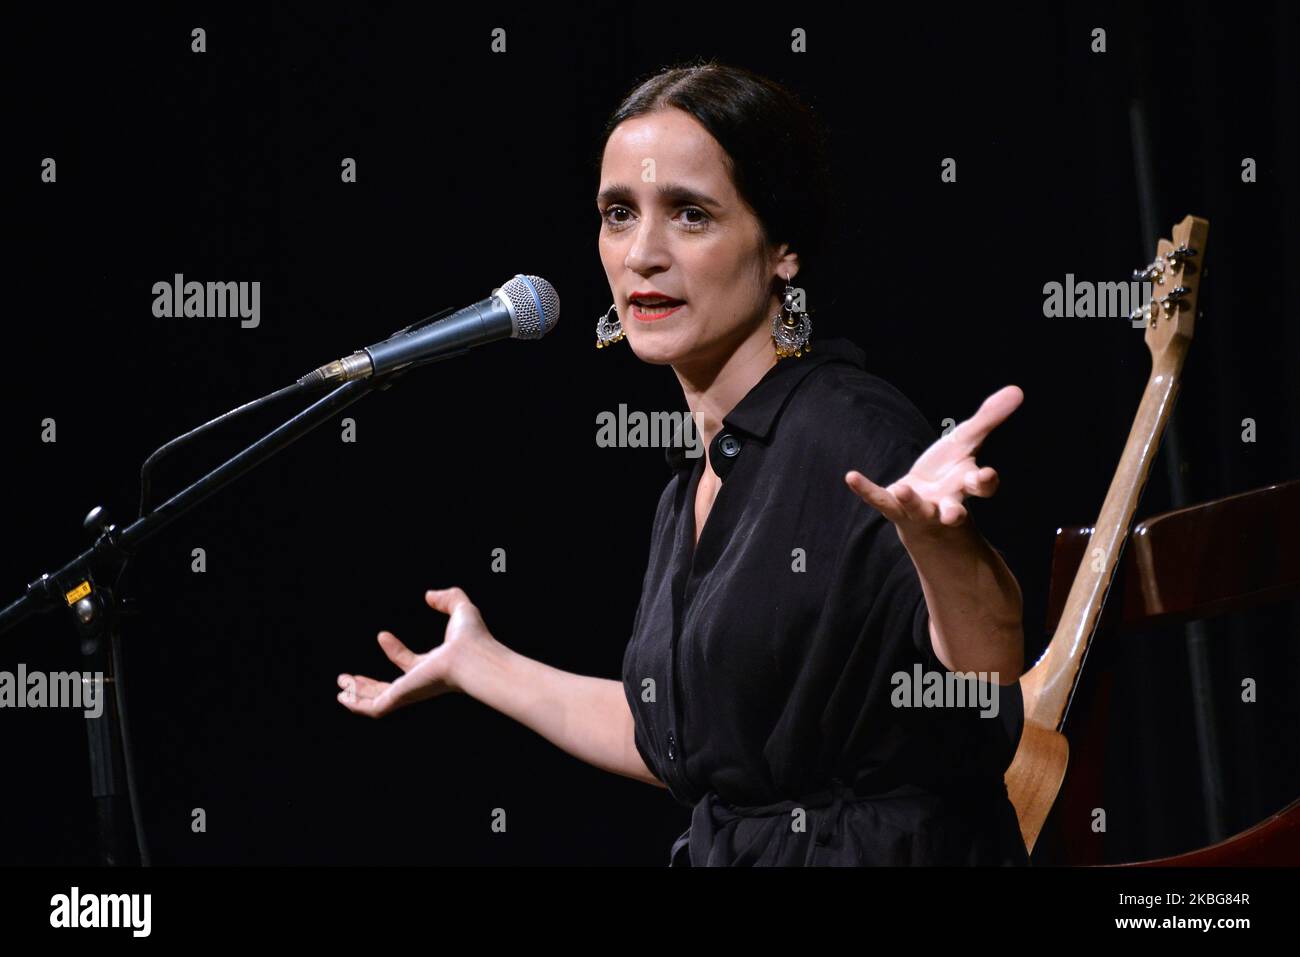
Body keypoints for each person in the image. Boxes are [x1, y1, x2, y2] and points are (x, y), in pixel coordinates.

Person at [337, 59, 1030, 866]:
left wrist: (947, 551)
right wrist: (482, 664)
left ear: (784, 248)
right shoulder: (695, 485)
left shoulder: (850, 430)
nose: (642, 254)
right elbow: (687, 740)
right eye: (619, 214)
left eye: (690, 215)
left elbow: (988, 667)